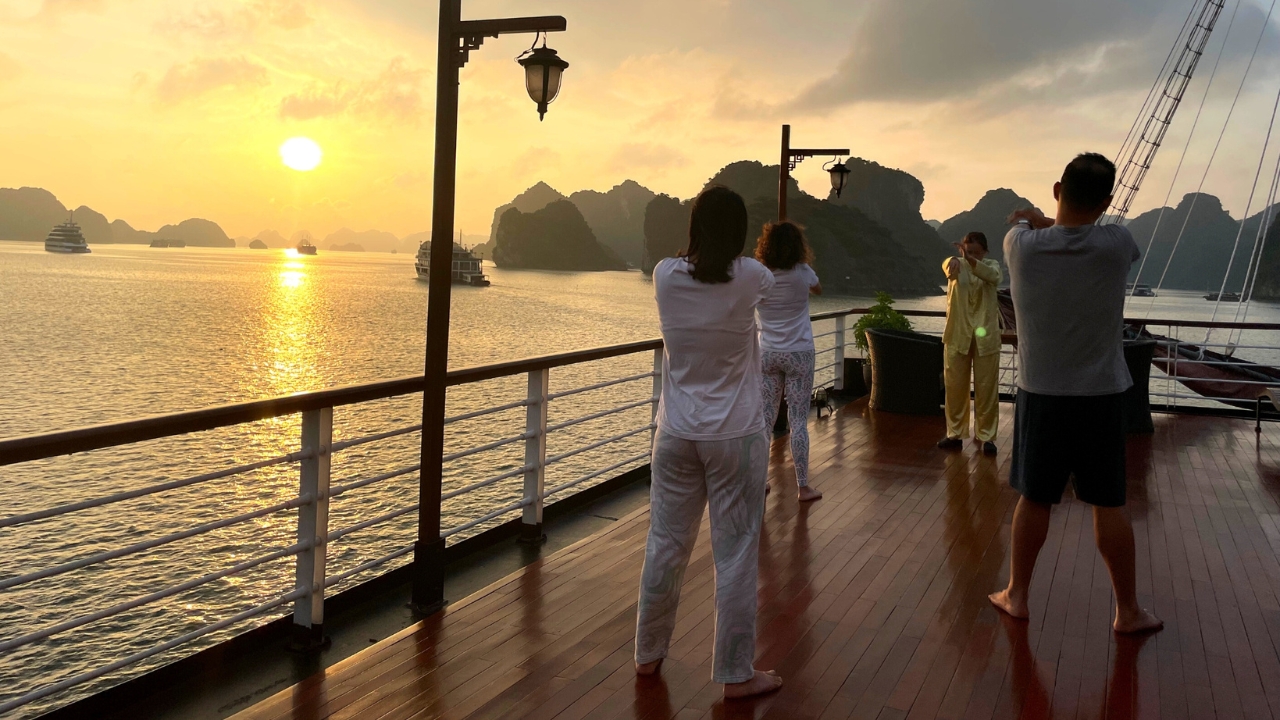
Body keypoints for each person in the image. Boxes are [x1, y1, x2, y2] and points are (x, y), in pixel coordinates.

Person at [989, 153, 1162, 634]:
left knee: (1035, 498)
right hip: (1102, 395)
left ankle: (1016, 595)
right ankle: (1128, 610)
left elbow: (1044, 230)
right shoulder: (1117, 244)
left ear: (1057, 190)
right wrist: (1057, 220)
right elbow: (1080, 232)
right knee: (1109, 503)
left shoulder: (1019, 245)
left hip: (1041, 392)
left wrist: (1036, 219)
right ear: (1106, 202)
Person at [634, 186, 783, 698]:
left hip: (676, 433)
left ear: (694, 226)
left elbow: (697, 268)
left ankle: (647, 655)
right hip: (736, 436)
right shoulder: (752, 276)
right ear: (739, 231)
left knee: (665, 545)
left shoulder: (663, 275)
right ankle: (736, 676)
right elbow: (777, 287)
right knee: (735, 555)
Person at [755, 221, 824, 502]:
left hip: (768, 353)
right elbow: (818, 289)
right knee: (798, 421)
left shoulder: (761, 276)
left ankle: (759, 482)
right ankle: (803, 487)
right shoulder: (803, 272)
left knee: (764, 421)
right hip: (799, 353)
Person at [938, 231, 1003, 456]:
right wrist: (955, 260)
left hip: (986, 338)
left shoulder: (993, 266)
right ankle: (954, 433)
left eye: (976, 252)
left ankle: (987, 436)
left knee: (986, 389)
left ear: (985, 252)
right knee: (955, 388)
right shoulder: (955, 264)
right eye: (968, 251)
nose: (971, 256)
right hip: (958, 335)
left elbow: (993, 277)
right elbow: (948, 268)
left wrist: (972, 261)